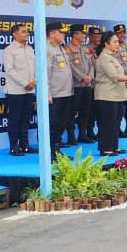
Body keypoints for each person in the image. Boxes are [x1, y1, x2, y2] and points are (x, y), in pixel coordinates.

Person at [94, 32, 127, 156]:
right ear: (106, 44)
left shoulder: (112, 56)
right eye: (114, 42)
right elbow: (114, 76)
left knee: (116, 123)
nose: (117, 44)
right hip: (107, 95)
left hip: (116, 95)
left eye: (117, 41)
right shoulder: (104, 57)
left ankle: (114, 146)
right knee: (108, 123)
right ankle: (106, 148)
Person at [3, 24, 36, 156]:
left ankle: (25, 145)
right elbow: (9, 70)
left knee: (26, 119)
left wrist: (34, 81)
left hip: (30, 90)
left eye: (27, 32)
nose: (27, 34)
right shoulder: (9, 50)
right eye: (23, 32)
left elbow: (35, 67)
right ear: (14, 34)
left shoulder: (30, 49)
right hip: (15, 91)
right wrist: (25, 83)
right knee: (15, 119)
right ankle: (13, 147)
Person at [44, 22, 74, 160]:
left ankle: (57, 150)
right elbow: (45, 73)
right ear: (52, 33)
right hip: (55, 94)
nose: (64, 35)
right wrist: (47, 93)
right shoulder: (47, 49)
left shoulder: (60, 48)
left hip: (65, 92)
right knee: (53, 124)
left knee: (61, 123)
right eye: (61, 32)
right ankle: (50, 153)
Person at [65, 25, 94, 144]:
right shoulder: (67, 48)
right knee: (72, 112)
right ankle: (71, 136)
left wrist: (90, 77)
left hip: (87, 85)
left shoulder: (85, 48)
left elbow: (91, 64)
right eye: (81, 33)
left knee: (85, 110)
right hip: (75, 85)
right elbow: (70, 66)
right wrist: (82, 77)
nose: (83, 36)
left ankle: (82, 134)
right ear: (74, 34)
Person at [113, 24, 127, 139]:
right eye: (119, 33)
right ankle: (117, 129)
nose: (122, 35)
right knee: (119, 109)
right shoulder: (113, 48)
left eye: (124, 33)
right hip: (119, 82)